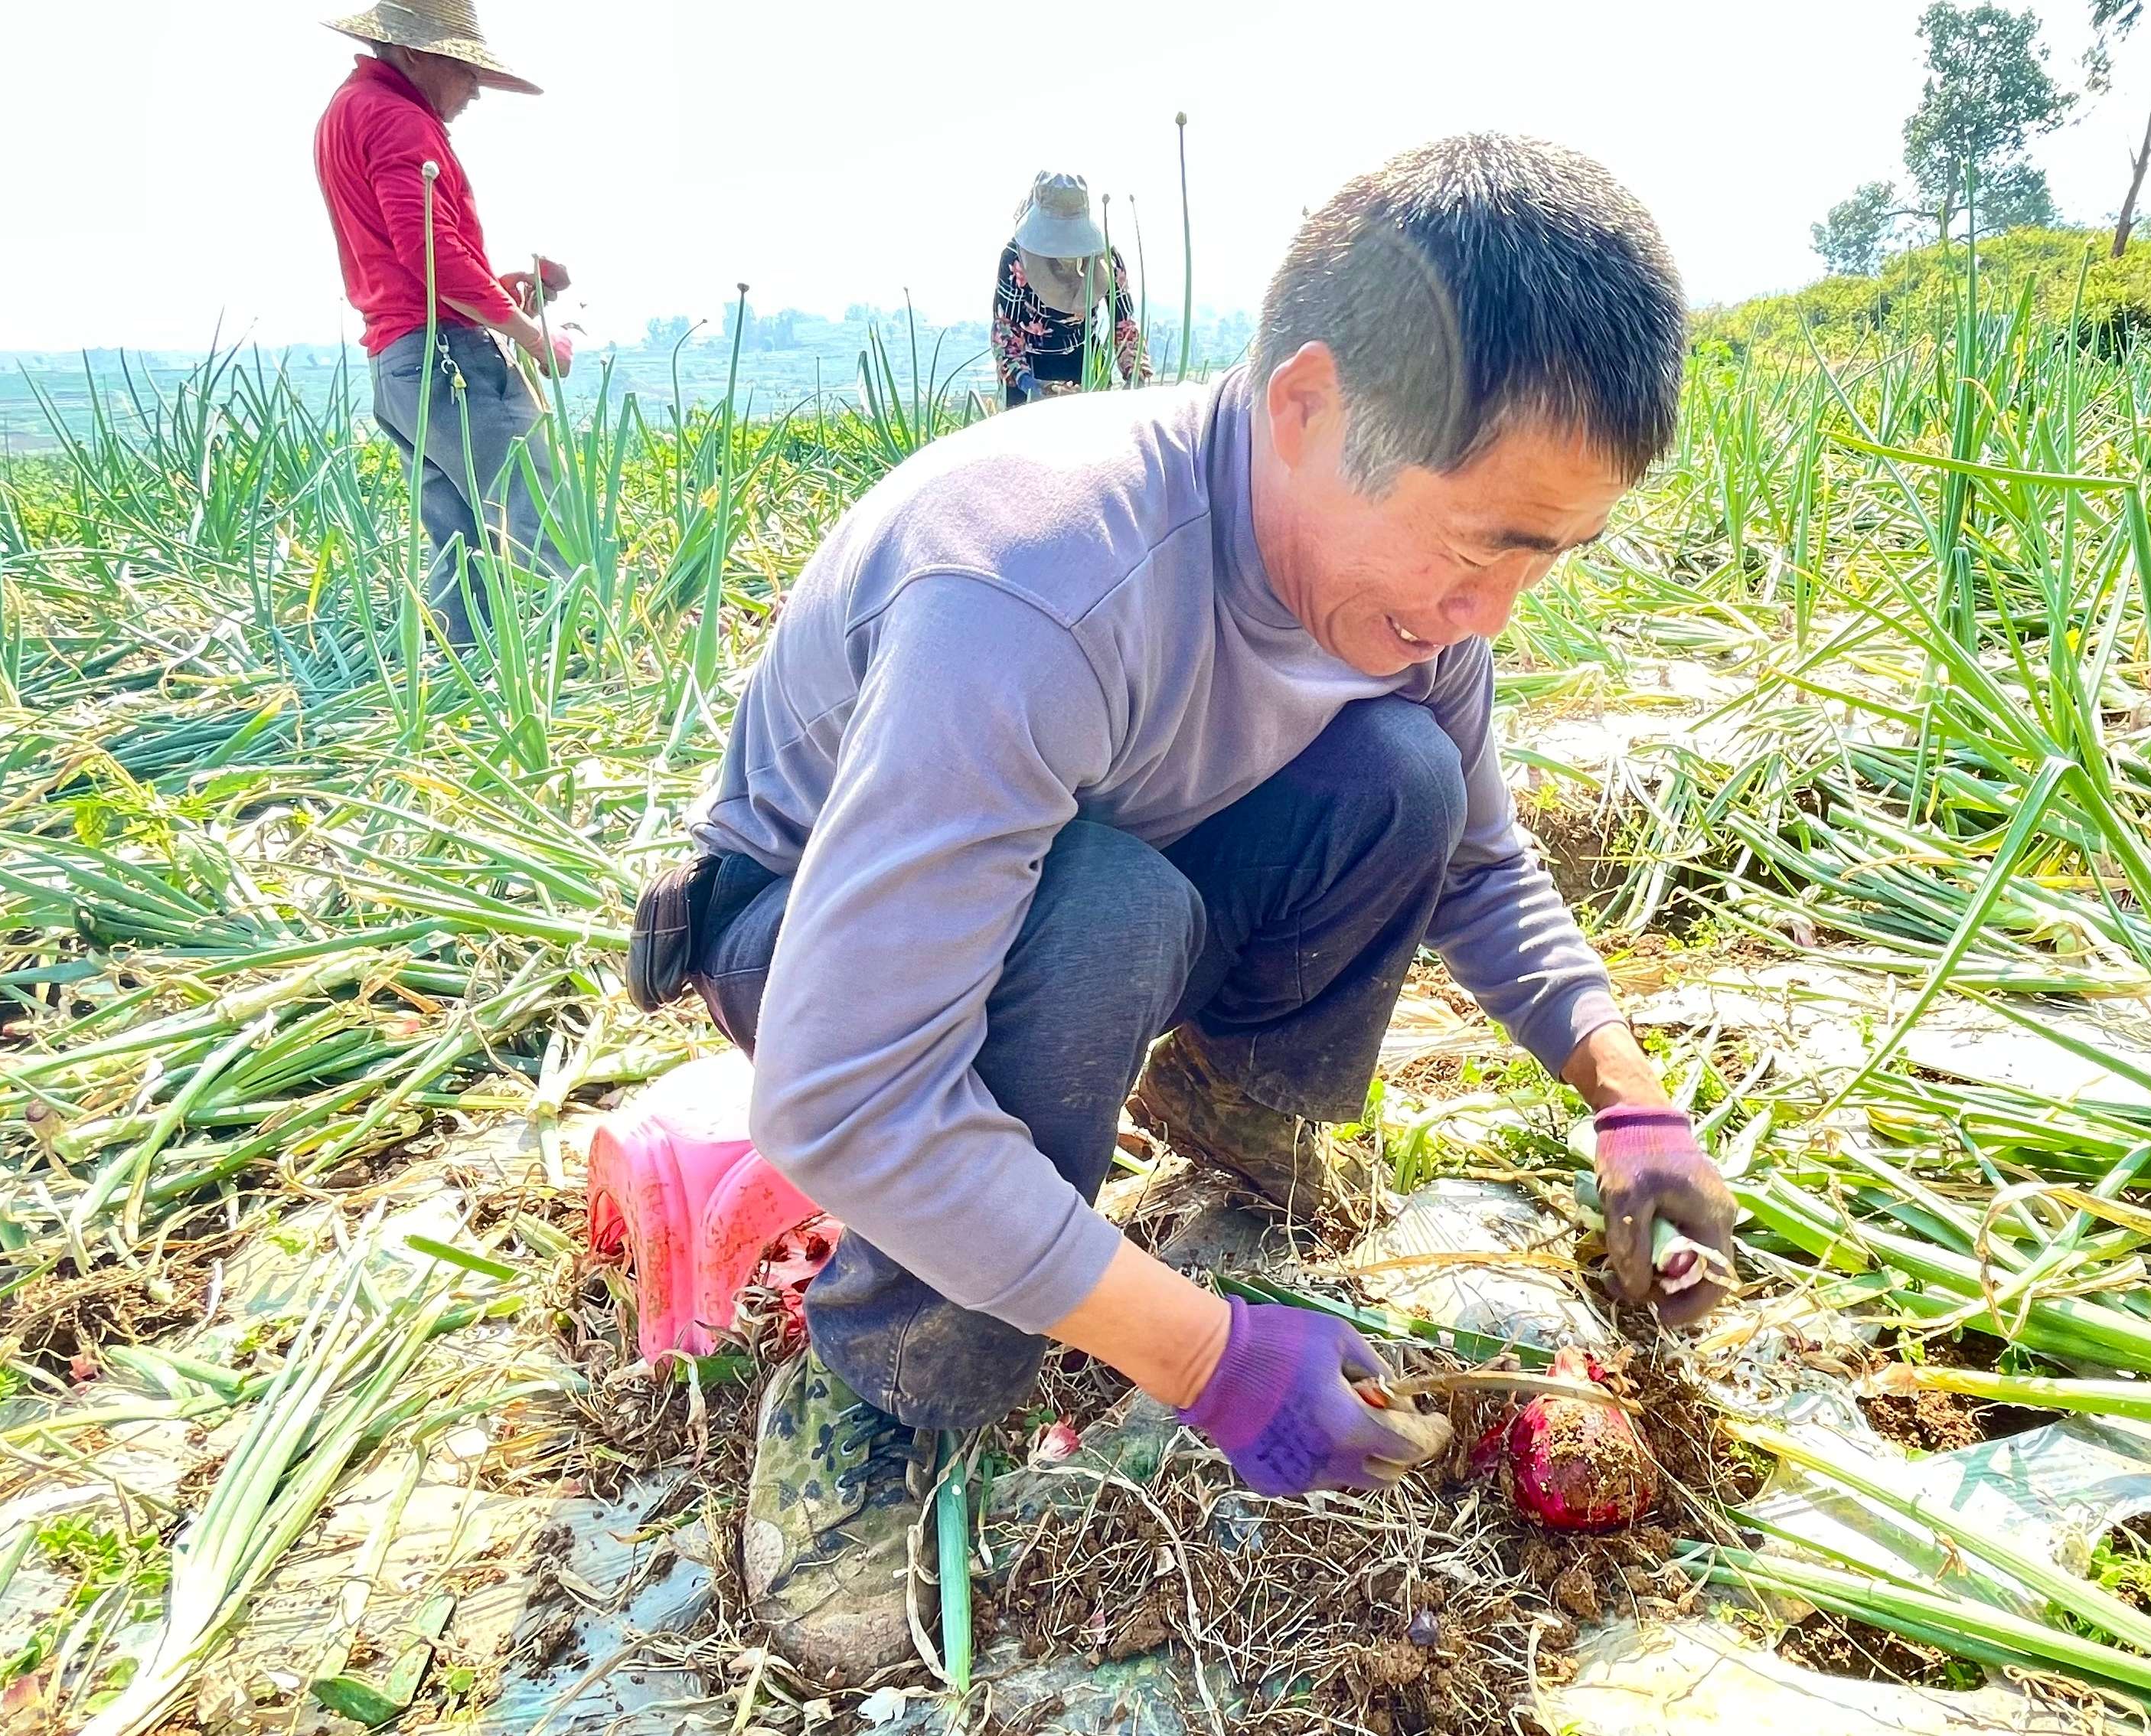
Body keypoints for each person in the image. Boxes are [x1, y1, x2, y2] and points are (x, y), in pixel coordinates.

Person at [625, 134, 1734, 1680]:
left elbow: (1479, 863)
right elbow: (844, 1091)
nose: (1491, 613)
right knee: (1107, 914)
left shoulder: (1412, 605)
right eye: (1484, 544)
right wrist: (1202, 1358)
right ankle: (882, 1379)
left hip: (1100, 862)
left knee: (1402, 773)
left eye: (1546, 558)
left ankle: (1226, 1133)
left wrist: (1629, 1097)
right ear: (1307, 410)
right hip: (825, 943)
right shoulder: (1035, 580)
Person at [313, 0, 575, 650]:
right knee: (537, 512)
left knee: (459, 535)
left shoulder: (347, 111)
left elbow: (411, 258)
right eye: (466, 71)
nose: (474, 91)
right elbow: (430, 253)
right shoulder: (398, 118)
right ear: (416, 53)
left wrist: (500, 291)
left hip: (399, 364)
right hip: (446, 360)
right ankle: (581, 660)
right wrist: (533, 337)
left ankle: (471, 671)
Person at [992, 171, 1150, 409]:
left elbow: (1124, 324)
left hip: (1085, 360)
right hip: (1030, 365)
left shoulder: (1106, 259)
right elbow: (1006, 328)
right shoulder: (1016, 258)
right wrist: (1030, 385)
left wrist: (1135, 374)